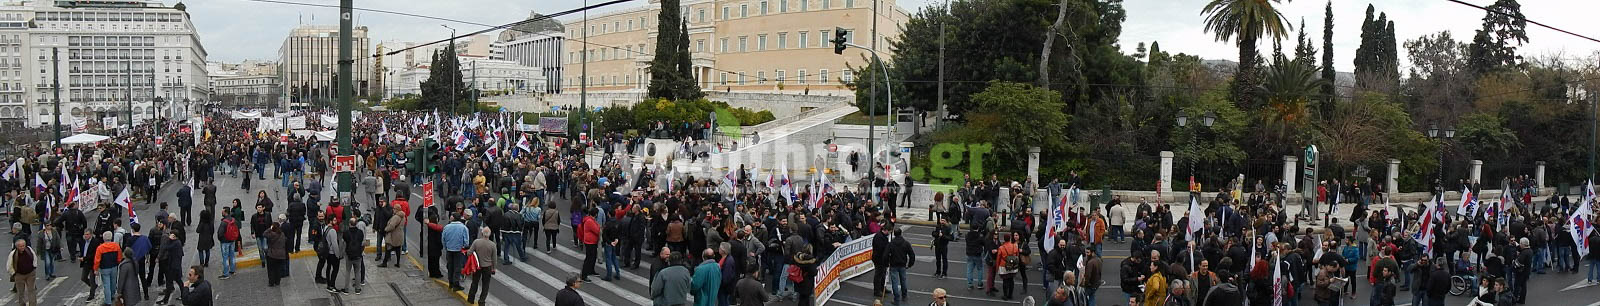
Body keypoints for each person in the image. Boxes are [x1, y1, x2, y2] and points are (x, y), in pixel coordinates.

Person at [467, 228, 498, 304]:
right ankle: (481, 301)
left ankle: (471, 298)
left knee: (475, 282)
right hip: (487, 267)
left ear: (482, 233)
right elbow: (494, 259)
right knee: (485, 285)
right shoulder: (493, 245)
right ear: (489, 234)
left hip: (477, 266)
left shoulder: (476, 242)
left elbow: (469, 253)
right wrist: (494, 268)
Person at [887, 228, 915, 305]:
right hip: (902, 264)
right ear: (901, 233)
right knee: (903, 281)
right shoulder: (906, 243)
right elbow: (912, 255)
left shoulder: (891, 244)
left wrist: (886, 263)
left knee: (895, 283)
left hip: (893, 265)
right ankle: (904, 295)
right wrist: (910, 264)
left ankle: (896, 298)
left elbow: (886, 255)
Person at [443, 213, 470, 290]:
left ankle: (450, 282)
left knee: (450, 266)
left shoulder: (447, 227)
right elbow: (466, 241)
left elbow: (443, 239)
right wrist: (464, 246)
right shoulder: (463, 228)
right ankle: (456, 284)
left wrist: (446, 247)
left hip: (449, 249)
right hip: (458, 250)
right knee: (457, 267)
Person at [343, 216, 369, 294]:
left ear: (349, 224)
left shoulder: (346, 233)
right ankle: (357, 289)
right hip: (358, 254)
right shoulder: (360, 232)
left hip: (349, 255)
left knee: (348, 271)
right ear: (356, 223)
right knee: (357, 272)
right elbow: (361, 241)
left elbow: (345, 242)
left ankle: (346, 289)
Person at [94, 231, 121, 306]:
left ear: (103, 238)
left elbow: (97, 260)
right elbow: (119, 257)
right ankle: (112, 295)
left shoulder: (100, 248)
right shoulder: (116, 246)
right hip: (114, 267)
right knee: (113, 282)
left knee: (106, 284)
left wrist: (96, 269)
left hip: (104, 268)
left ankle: (108, 301)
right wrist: (118, 263)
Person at [9, 239, 37, 306]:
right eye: (20, 246)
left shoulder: (29, 249)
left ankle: (33, 304)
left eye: (23, 246)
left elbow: (34, 258)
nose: (22, 247)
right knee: (21, 292)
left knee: (31, 290)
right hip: (19, 275)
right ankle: (22, 304)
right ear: (17, 247)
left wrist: (34, 267)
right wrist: (14, 273)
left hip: (30, 273)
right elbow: (9, 265)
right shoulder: (13, 253)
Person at [580, 207, 601, 281]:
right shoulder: (590, 221)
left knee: (593, 257)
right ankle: (584, 275)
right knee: (589, 258)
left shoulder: (591, 219)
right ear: (595, 214)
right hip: (590, 242)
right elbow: (597, 230)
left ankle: (591, 270)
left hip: (592, 241)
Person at [217, 211, 240, 279]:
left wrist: (221, 239)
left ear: (225, 213)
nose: (222, 212)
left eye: (223, 211)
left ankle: (226, 274)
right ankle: (232, 270)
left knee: (225, 257)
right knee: (232, 255)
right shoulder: (233, 220)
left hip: (225, 242)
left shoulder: (224, 222)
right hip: (232, 240)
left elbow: (220, 233)